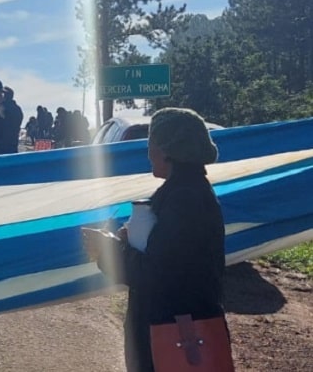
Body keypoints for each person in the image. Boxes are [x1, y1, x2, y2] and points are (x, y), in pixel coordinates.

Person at [82, 108, 228, 372]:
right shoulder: (185, 192)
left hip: (174, 336)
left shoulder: (185, 200)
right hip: (176, 330)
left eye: (151, 143)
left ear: (168, 149)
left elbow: (156, 274)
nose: (148, 152)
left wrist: (107, 251)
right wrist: (126, 242)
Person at [0, 86, 24, 153]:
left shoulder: (3, 107)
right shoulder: (17, 108)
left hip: (4, 141)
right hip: (13, 140)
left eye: (2, 94)